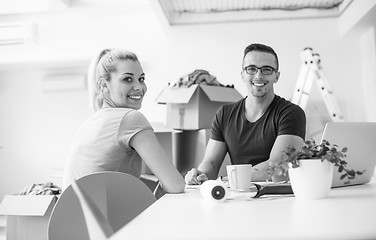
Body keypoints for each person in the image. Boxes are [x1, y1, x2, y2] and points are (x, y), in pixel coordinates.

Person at [63, 48, 185, 194]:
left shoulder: (89, 123)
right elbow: (176, 186)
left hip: (76, 215)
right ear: (103, 85)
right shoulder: (130, 118)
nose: (139, 87)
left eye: (141, 79)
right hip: (106, 215)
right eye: (127, 79)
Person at [185, 43, 306, 185]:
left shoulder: (291, 114)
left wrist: (225, 180)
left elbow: (276, 166)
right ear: (242, 74)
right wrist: (200, 175)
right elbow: (211, 162)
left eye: (267, 70)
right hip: (238, 194)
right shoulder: (225, 114)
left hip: (277, 197)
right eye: (251, 69)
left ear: (276, 76)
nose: (258, 75)